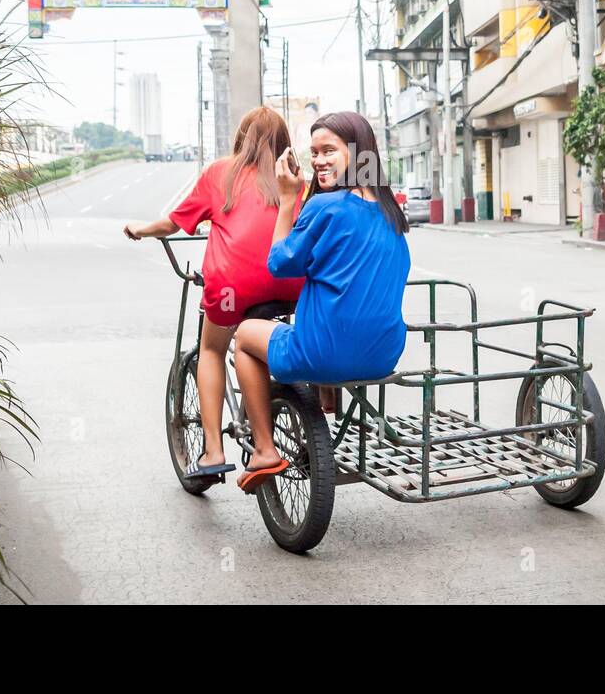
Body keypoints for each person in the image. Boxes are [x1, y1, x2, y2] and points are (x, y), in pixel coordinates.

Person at [231, 111, 410, 493]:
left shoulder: (324, 207)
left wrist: (287, 200)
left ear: (357, 154)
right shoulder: (390, 211)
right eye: (314, 152)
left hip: (326, 353)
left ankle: (263, 449)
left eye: (329, 150)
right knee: (326, 314)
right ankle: (326, 403)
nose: (318, 160)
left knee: (246, 335)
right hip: (384, 355)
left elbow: (279, 263)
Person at [124, 107, 304, 482]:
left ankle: (212, 451)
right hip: (291, 281)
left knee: (211, 349)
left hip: (232, 288)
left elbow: (172, 223)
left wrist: (141, 230)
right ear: (284, 142)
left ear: (241, 139)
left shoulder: (221, 172)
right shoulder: (294, 177)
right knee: (272, 335)